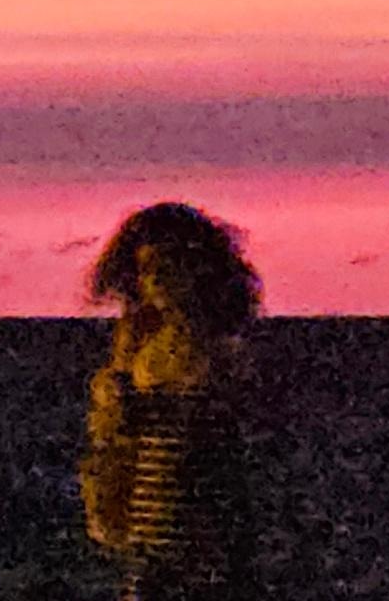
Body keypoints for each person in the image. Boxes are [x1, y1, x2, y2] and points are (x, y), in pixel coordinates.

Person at [79, 201, 261, 597]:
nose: (157, 279)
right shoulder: (139, 349)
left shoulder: (223, 351)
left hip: (199, 543)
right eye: (147, 269)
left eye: (168, 265)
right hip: (154, 537)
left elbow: (230, 444)